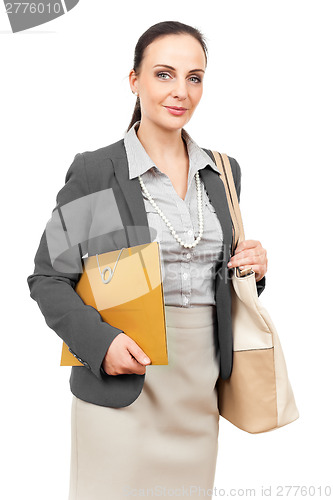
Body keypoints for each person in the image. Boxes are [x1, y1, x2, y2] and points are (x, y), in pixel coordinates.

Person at [27, 20, 268, 500]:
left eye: (194, 77)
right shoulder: (100, 172)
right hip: (123, 382)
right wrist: (101, 343)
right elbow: (49, 277)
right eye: (164, 74)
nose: (181, 91)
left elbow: (218, 281)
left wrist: (253, 269)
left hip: (199, 387)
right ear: (134, 81)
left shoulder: (221, 171)